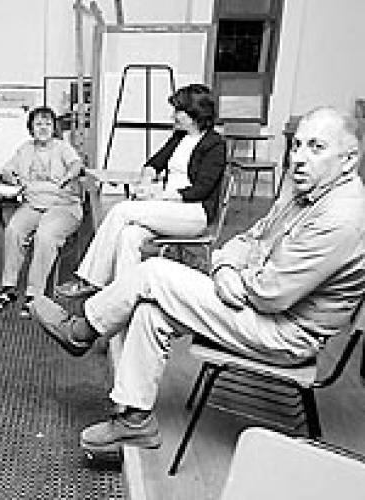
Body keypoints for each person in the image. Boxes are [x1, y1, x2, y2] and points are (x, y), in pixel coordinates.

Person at [30, 107, 365, 455]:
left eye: (316, 147)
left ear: (348, 160)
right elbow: (248, 238)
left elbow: (270, 294)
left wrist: (232, 272)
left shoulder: (341, 218)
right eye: (296, 145)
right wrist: (226, 268)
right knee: (150, 311)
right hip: (258, 304)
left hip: (282, 332)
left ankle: (82, 331)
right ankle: (135, 420)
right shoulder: (306, 192)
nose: (298, 158)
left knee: (154, 273)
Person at [55, 84, 225, 300]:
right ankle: (123, 296)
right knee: (129, 235)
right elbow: (154, 164)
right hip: (168, 209)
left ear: (194, 114)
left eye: (178, 111)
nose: (173, 115)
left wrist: (158, 195)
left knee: (121, 211)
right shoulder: (180, 137)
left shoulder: (215, 144)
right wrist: (146, 183)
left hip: (194, 213)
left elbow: (201, 189)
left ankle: (89, 280)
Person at [0, 106, 84, 318]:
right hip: (33, 205)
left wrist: (67, 177)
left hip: (63, 206)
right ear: (31, 128)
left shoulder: (63, 148)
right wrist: (10, 177)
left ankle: (34, 295)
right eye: (38, 124)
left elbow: (77, 165)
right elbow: (6, 170)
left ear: (54, 128)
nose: (43, 128)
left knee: (45, 235)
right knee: (14, 230)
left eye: (48, 124)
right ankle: (9, 287)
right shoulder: (25, 149)